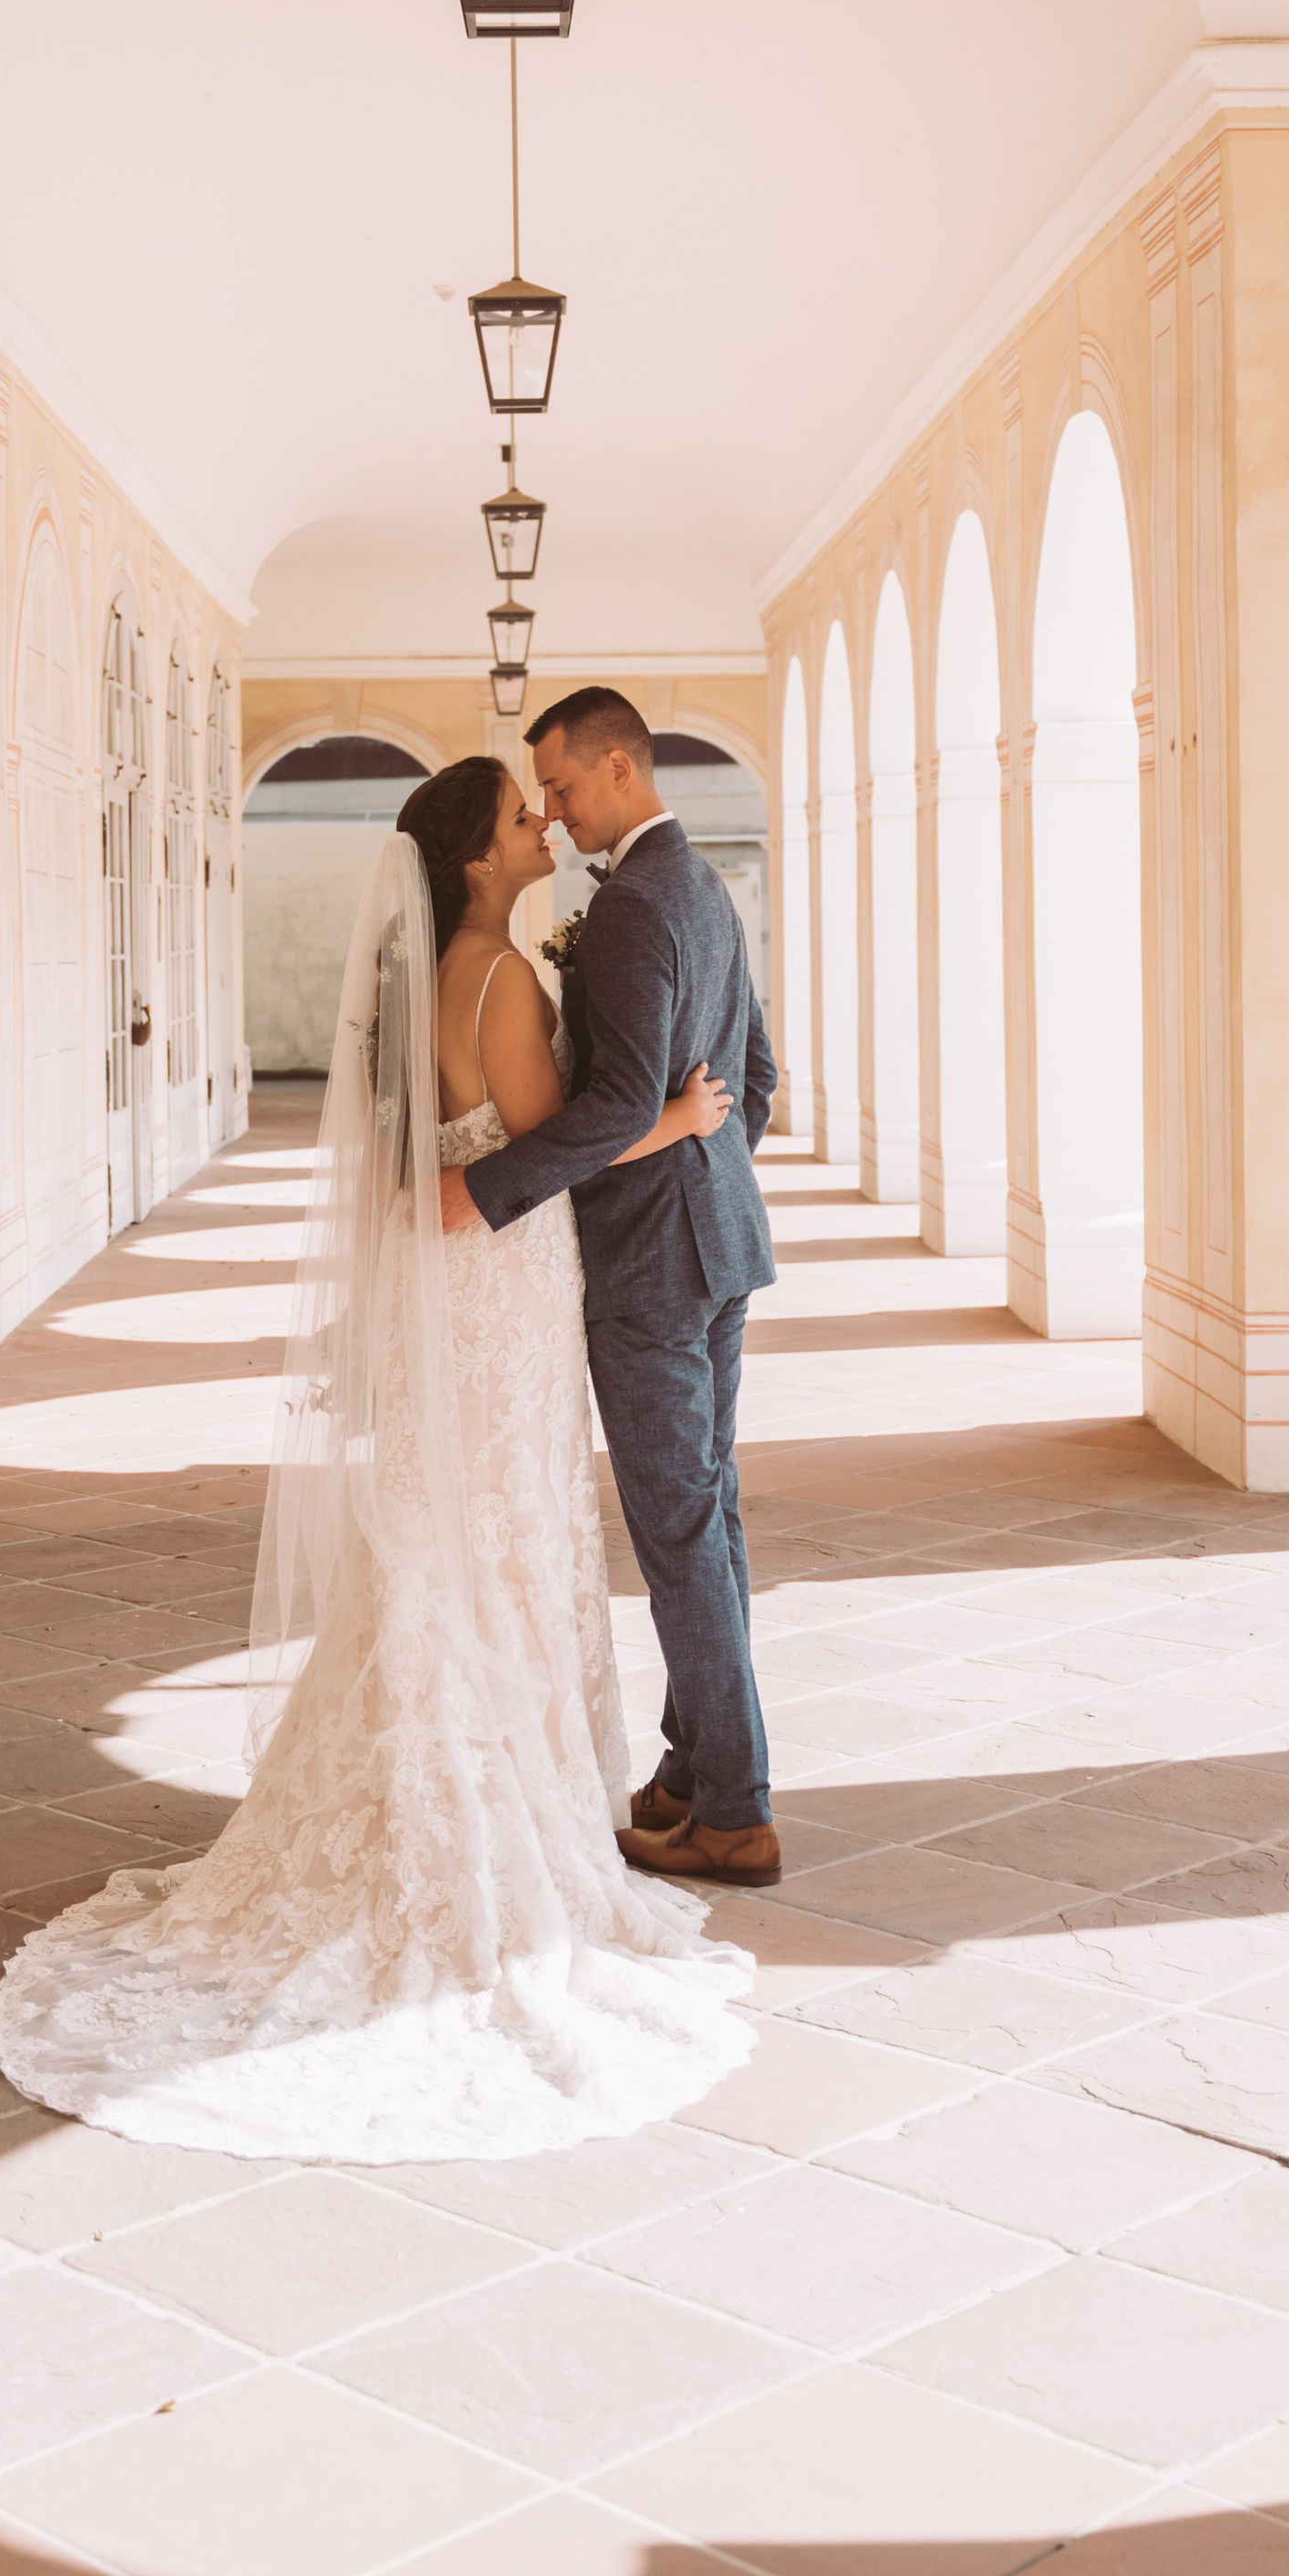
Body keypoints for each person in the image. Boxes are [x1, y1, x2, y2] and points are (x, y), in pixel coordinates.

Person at [0, 757, 754, 2161]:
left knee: (445, 1519)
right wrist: (678, 1121)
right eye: (522, 819)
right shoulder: (502, 979)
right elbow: (549, 1154)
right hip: (505, 1293)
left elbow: (455, 1161)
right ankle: (482, 1806)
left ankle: (420, 1760)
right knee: (507, 1518)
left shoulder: (436, 979)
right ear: (474, 859)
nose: (544, 825)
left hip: (453, 1296)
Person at [441, 688, 782, 1894]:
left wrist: (487, 1190)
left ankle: (734, 1810)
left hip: (651, 1264)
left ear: (620, 768)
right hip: (721, 1239)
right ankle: (696, 1769)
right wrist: (712, 1165)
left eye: (567, 789)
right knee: (711, 1512)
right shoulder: (703, 888)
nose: (556, 812)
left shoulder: (637, 907)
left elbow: (619, 1106)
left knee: (681, 1526)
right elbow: (757, 1076)